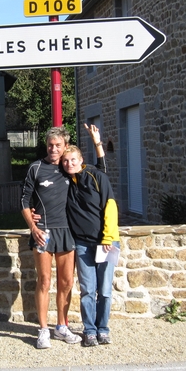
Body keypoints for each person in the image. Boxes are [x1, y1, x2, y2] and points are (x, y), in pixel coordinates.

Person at [21, 125, 105, 349]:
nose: (54, 149)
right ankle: (43, 330)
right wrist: (33, 227)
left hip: (68, 232)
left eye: (58, 145)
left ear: (65, 146)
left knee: (66, 282)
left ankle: (61, 326)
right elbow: (24, 201)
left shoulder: (71, 168)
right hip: (43, 232)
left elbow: (100, 171)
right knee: (44, 281)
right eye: (50, 145)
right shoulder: (36, 168)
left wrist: (97, 142)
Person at [60, 144, 119, 347]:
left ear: (81, 160)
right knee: (87, 290)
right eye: (65, 161)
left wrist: (108, 237)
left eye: (73, 160)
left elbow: (110, 206)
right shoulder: (65, 182)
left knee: (105, 290)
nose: (69, 164)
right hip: (82, 244)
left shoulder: (96, 176)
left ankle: (103, 329)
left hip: (105, 242)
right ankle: (90, 331)